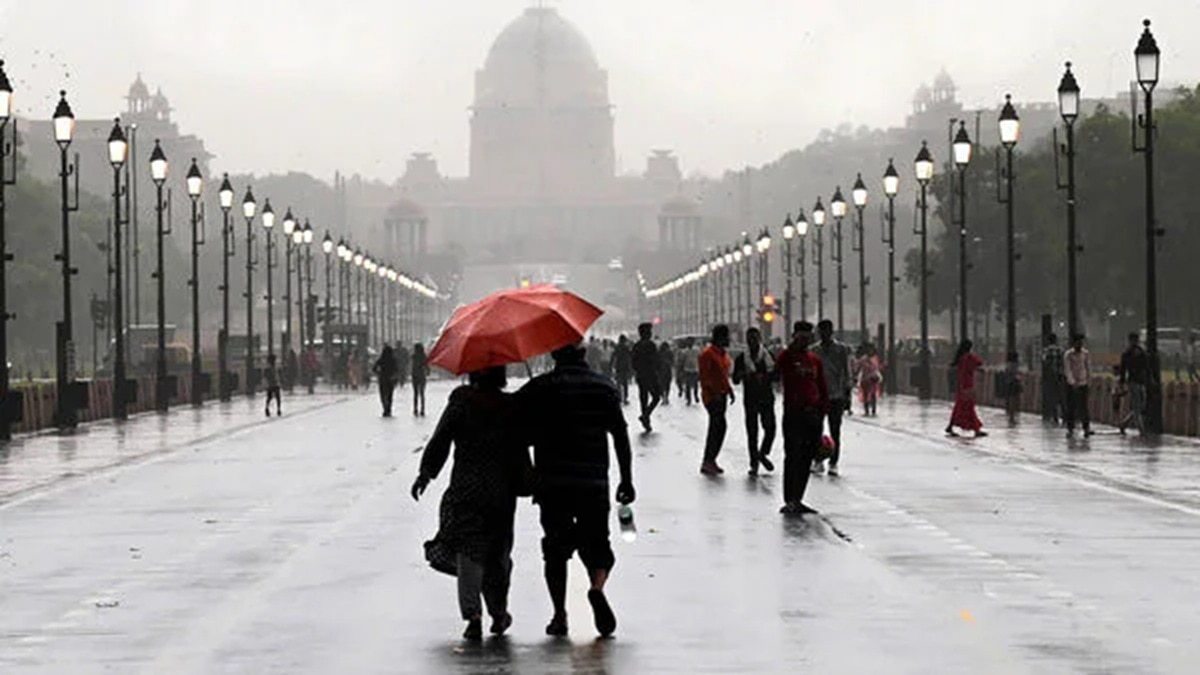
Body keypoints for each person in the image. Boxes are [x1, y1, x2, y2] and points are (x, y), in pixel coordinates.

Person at [516, 344, 635, 639]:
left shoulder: (540, 388)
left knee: (555, 551)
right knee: (598, 544)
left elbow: (518, 433)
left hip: (552, 483)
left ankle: (559, 614)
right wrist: (626, 479)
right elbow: (620, 436)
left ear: (553, 356)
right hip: (593, 482)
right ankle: (596, 587)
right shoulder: (604, 387)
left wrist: (528, 470)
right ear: (584, 356)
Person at [412, 366, 527, 641]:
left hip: (466, 488)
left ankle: (473, 614)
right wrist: (529, 481)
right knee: (498, 553)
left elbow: (441, 439)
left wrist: (426, 473)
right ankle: (499, 613)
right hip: (501, 491)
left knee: (469, 552)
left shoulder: (461, 402)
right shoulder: (509, 406)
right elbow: (519, 447)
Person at [776, 321, 828, 514]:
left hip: (813, 414)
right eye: (801, 337)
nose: (805, 341)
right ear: (795, 337)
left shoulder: (815, 360)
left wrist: (822, 410)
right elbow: (776, 371)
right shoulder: (787, 357)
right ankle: (789, 499)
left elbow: (822, 386)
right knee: (792, 456)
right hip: (793, 413)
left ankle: (798, 498)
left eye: (808, 337)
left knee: (807, 457)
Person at [732, 327, 777, 476]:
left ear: (760, 339)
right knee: (752, 432)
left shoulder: (768, 356)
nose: (752, 342)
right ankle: (754, 463)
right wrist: (744, 374)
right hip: (750, 399)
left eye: (755, 338)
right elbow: (735, 380)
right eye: (749, 339)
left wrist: (764, 377)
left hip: (766, 397)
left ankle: (762, 453)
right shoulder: (741, 358)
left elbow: (776, 376)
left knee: (770, 429)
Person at [811, 320, 852, 476]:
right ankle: (818, 460)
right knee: (816, 430)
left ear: (831, 331)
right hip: (818, 396)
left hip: (836, 394)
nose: (824, 334)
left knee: (835, 430)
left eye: (826, 331)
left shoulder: (841, 350)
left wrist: (847, 394)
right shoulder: (814, 350)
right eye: (821, 331)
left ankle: (833, 462)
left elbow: (846, 372)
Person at [698, 324, 735, 476]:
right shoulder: (707, 354)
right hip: (713, 397)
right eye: (727, 336)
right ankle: (708, 460)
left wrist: (729, 390)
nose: (729, 339)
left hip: (722, 395)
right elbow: (705, 377)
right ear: (720, 337)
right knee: (716, 427)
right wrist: (714, 393)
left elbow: (723, 376)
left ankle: (711, 460)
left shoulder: (723, 355)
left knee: (719, 427)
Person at [946, 339, 987, 438]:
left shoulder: (960, 358)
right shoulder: (968, 357)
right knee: (969, 407)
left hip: (961, 386)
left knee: (959, 407)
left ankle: (951, 426)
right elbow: (979, 363)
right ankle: (976, 429)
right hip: (968, 386)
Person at [631, 323, 662, 432]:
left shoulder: (636, 346)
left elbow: (633, 362)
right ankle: (646, 415)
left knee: (643, 399)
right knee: (656, 397)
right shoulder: (651, 345)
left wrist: (638, 371)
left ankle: (646, 421)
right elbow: (656, 360)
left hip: (640, 376)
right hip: (651, 375)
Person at [1118, 332, 1150, 435]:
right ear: (1130, 341)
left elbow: (1147, 366)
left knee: (1142, 405)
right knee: (1137, 406)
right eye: (1133, 340)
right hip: (1133, 381)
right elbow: (1123, 369)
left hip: (1142, 381)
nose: (1135, 342)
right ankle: (1142, 430)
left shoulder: (1142, 352)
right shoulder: (1127, 353)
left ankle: (1124, 423)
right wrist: (1122, 383)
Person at [1064, 334, 1093, 437]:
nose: (1080, 344)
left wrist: (1089, 382)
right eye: (1078, 342)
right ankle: (1070, 429)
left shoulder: (1086, 354)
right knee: (1071, 407)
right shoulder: (1068, 354)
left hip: (1083, 383)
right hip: (1071, 385)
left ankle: (1086, 427)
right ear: (1074, 343)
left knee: (1084, 407)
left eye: (1081, 342)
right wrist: (1072, 382)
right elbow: (1068, 370)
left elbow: (1088, 368)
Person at [1041, 334, 1065, 425]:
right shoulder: (1061, 350)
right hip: (1060, 376)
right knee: (1062, 397)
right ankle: (1064, 416)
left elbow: (1045, 363)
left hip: (1050, 378)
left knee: (1052, 398)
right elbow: (1064, 362)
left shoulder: (1046, 351)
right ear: (1056, 340)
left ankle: (1055, 417)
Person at [856, 343, 883, 417]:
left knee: (873, 395)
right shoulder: (863, 359)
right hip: (865, 379)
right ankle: (867, 410)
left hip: (873, 380)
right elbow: (858, 367)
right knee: (865, 395)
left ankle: (873, 410)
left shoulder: (875, 359)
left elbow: (877, 368)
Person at [372, 345, 400, 417]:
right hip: (391, 379)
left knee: (383, 394)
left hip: (382, 378)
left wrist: (378, 373)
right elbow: (397, 369)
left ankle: (385, 408)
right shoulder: (393, 359)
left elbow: (374, 368)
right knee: (390, 395)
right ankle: (389, 409)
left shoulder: (381, 359)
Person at [611, 335, 633, 405]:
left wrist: (611, 365)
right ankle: (625, 399)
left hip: (618, 368)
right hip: (625, 368)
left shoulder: (617, 347)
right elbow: (630, 357)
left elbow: (613, 357)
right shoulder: (626, 348)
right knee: (625, 384)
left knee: (618, 384)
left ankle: (619, 398)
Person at [681, 338, 701, 406]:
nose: (689, 343)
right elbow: (682, 360)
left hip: (695, 369)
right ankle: (689, 399)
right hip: (688, 369)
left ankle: (695, 396)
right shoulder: (685, 351)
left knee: (695, 385)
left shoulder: (697, 350)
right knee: (688, 385)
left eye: (690, 342)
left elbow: (700, 358)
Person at [411, 342, 430, 417]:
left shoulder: (414, 356)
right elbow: (426, 365)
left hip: (414, 376)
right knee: (422, 393)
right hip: (422, 376)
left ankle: (415, 409)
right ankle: (422, 409)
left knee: (415, 393)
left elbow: (412, 366)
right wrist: (428, 371)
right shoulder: (423, 356)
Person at [657, 341, 675, 407]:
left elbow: (656, 362)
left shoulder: (658, 353)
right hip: (668, 371)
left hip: (660, 372)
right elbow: (672, 361)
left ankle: (663, 397)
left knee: (661, 385)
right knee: (667, 385)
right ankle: (666, 397)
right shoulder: (670, 352)